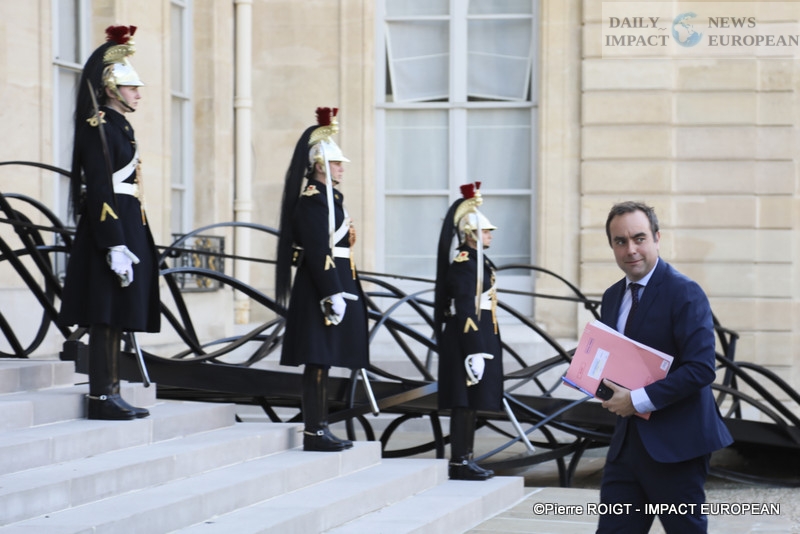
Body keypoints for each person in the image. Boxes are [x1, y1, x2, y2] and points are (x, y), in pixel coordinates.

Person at [596, 201, 733, 533]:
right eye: (620, 241)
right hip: (625, 448)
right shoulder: (612, 297)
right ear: (612, 246)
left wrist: (636, 400)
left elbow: (701, 368)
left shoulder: (685, 293)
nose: (631, 249)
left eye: (639, 238)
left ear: (657, 238)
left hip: (677, 447)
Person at [58, 26, 160, 421]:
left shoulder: (119, 126)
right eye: (131, 87)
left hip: (128, 224)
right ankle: (101, 395)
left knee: (117, 316)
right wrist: (114, 242)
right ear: (111, 88)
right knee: (104, 316)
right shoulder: (97, 125)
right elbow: (100, 188)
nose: (138, 94)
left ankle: (112, 391)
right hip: (109, 229)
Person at [275, 107, 369, 452]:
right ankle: (314, 431)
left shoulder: (331, 199)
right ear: (319, 165)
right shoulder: (314, 201)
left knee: (325, 361)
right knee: (317, 362)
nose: (342, 168)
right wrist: (332, 292)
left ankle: (321, 427)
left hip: (334, 284)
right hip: (320, 289)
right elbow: (317, 251)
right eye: (336, 163)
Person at [433, 182, 503, 481]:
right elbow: (464, 308)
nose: (490, 235)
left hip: (480, 335)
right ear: (471, 234)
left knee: (472, 401)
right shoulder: (464, 263)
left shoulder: (477, 261)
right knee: (463, 402)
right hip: (466, 338)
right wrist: (474, 349)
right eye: (485, 231)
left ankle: (467, 458)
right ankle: (459, 461)